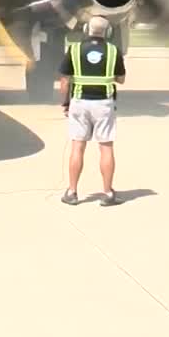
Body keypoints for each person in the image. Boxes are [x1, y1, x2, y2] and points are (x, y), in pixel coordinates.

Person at [59, 16, 126, 206]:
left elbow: (64, 81)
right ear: (108, 32)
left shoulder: (74, 49)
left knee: (77, 147)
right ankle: (108, 193)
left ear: (87, 29)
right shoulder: (114, 51)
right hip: (104, 104)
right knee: (106, 147)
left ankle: (72, 192)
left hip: (79, 103)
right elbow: (121, 79)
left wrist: (65, 103)